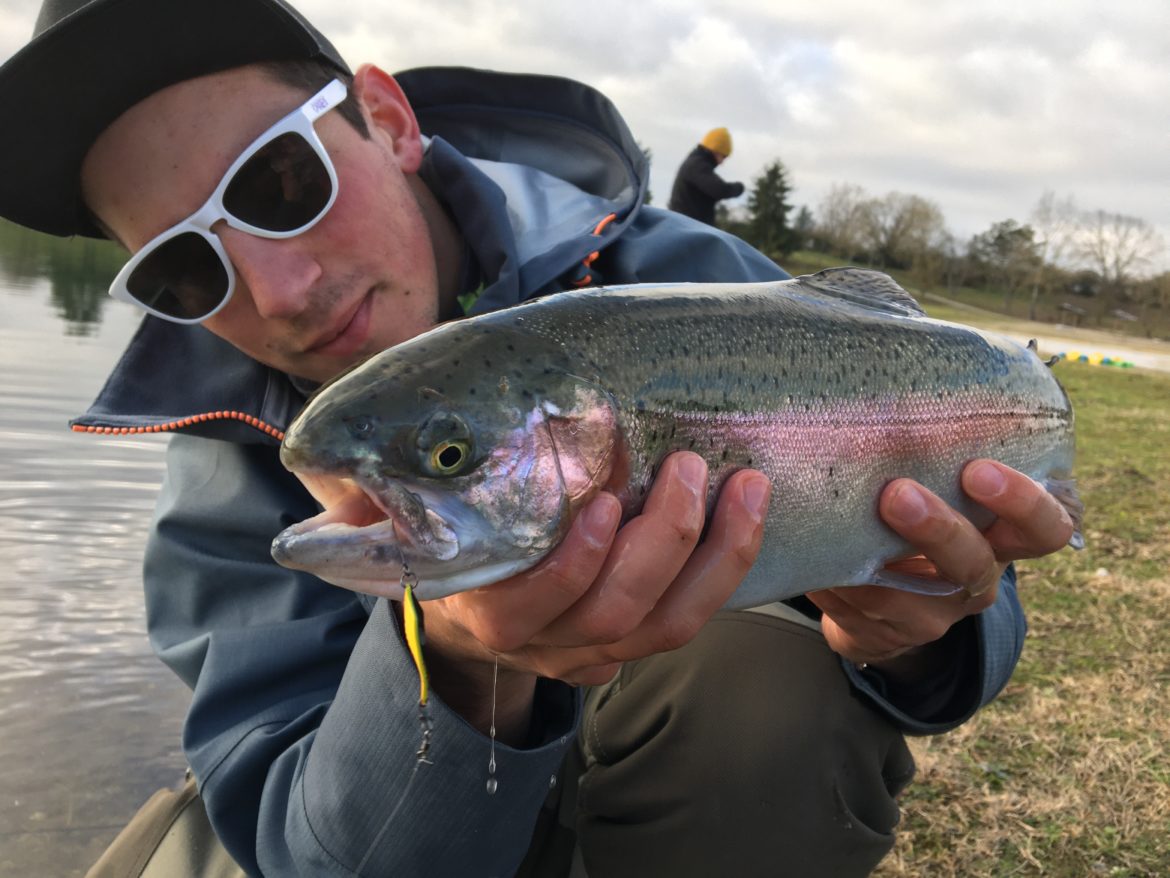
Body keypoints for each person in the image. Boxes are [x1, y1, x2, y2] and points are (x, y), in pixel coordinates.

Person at [0, 1, 1076, 876]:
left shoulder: (684, 277)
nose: (277, 291)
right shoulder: (226, 476)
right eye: (183, 269)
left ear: (386, 117)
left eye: (281, 184)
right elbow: (309, 852)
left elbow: (976, 614)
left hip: (688, 802)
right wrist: (458, 659)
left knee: (767, 692)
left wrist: (922, 625)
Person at [667, 127, 747, 225]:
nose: (722, 162)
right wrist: (739, 187)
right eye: (724, 156)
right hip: (687, 229)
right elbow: (719, 190)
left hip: (687, 226)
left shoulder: (696, 162)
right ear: (716, 150)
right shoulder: (697, 165)